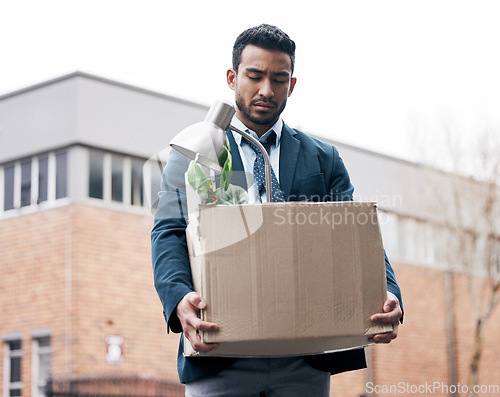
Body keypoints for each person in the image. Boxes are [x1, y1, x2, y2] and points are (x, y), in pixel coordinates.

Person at [152, 24, 403, 397]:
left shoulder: (323, 159)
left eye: (279, 79)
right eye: (254, 76)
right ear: (232, 77)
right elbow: (168, 231)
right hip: (220, 349)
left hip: (303, 358)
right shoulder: (195, 150)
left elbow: (356, 236)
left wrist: (388, 291)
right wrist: (178, 299)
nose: (266, 90)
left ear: (292, 84)